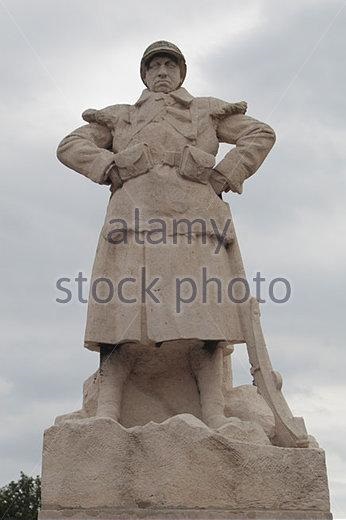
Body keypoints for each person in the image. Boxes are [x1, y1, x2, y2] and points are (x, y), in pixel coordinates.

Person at [56, 40, 276, 427]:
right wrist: (109, 166)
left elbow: (259, 133)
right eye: (154, 65)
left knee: (206, 318)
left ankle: (213, 410)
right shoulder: (120, 117)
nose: (162, 72)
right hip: (134, 220)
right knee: (120, 314)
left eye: (169, 65)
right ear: (144, 74)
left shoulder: (206, 110)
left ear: (181, 72)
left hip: (194, 219)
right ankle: (108, 410)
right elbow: (70, 145)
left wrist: (225, 173)